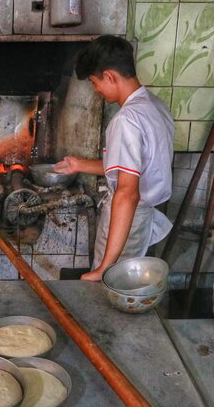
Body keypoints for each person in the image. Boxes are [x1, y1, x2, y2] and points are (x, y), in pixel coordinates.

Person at [54, 35, 174, 281]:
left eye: (94, 82)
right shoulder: (154, 105)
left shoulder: (126, 121)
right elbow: (136, 168)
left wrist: (103, 268)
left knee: (111, 290)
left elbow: (128, 192)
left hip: (127, 222)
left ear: (109, 76)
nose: (96, 90)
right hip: (140, 219)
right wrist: (79, 164)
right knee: (127, 286)